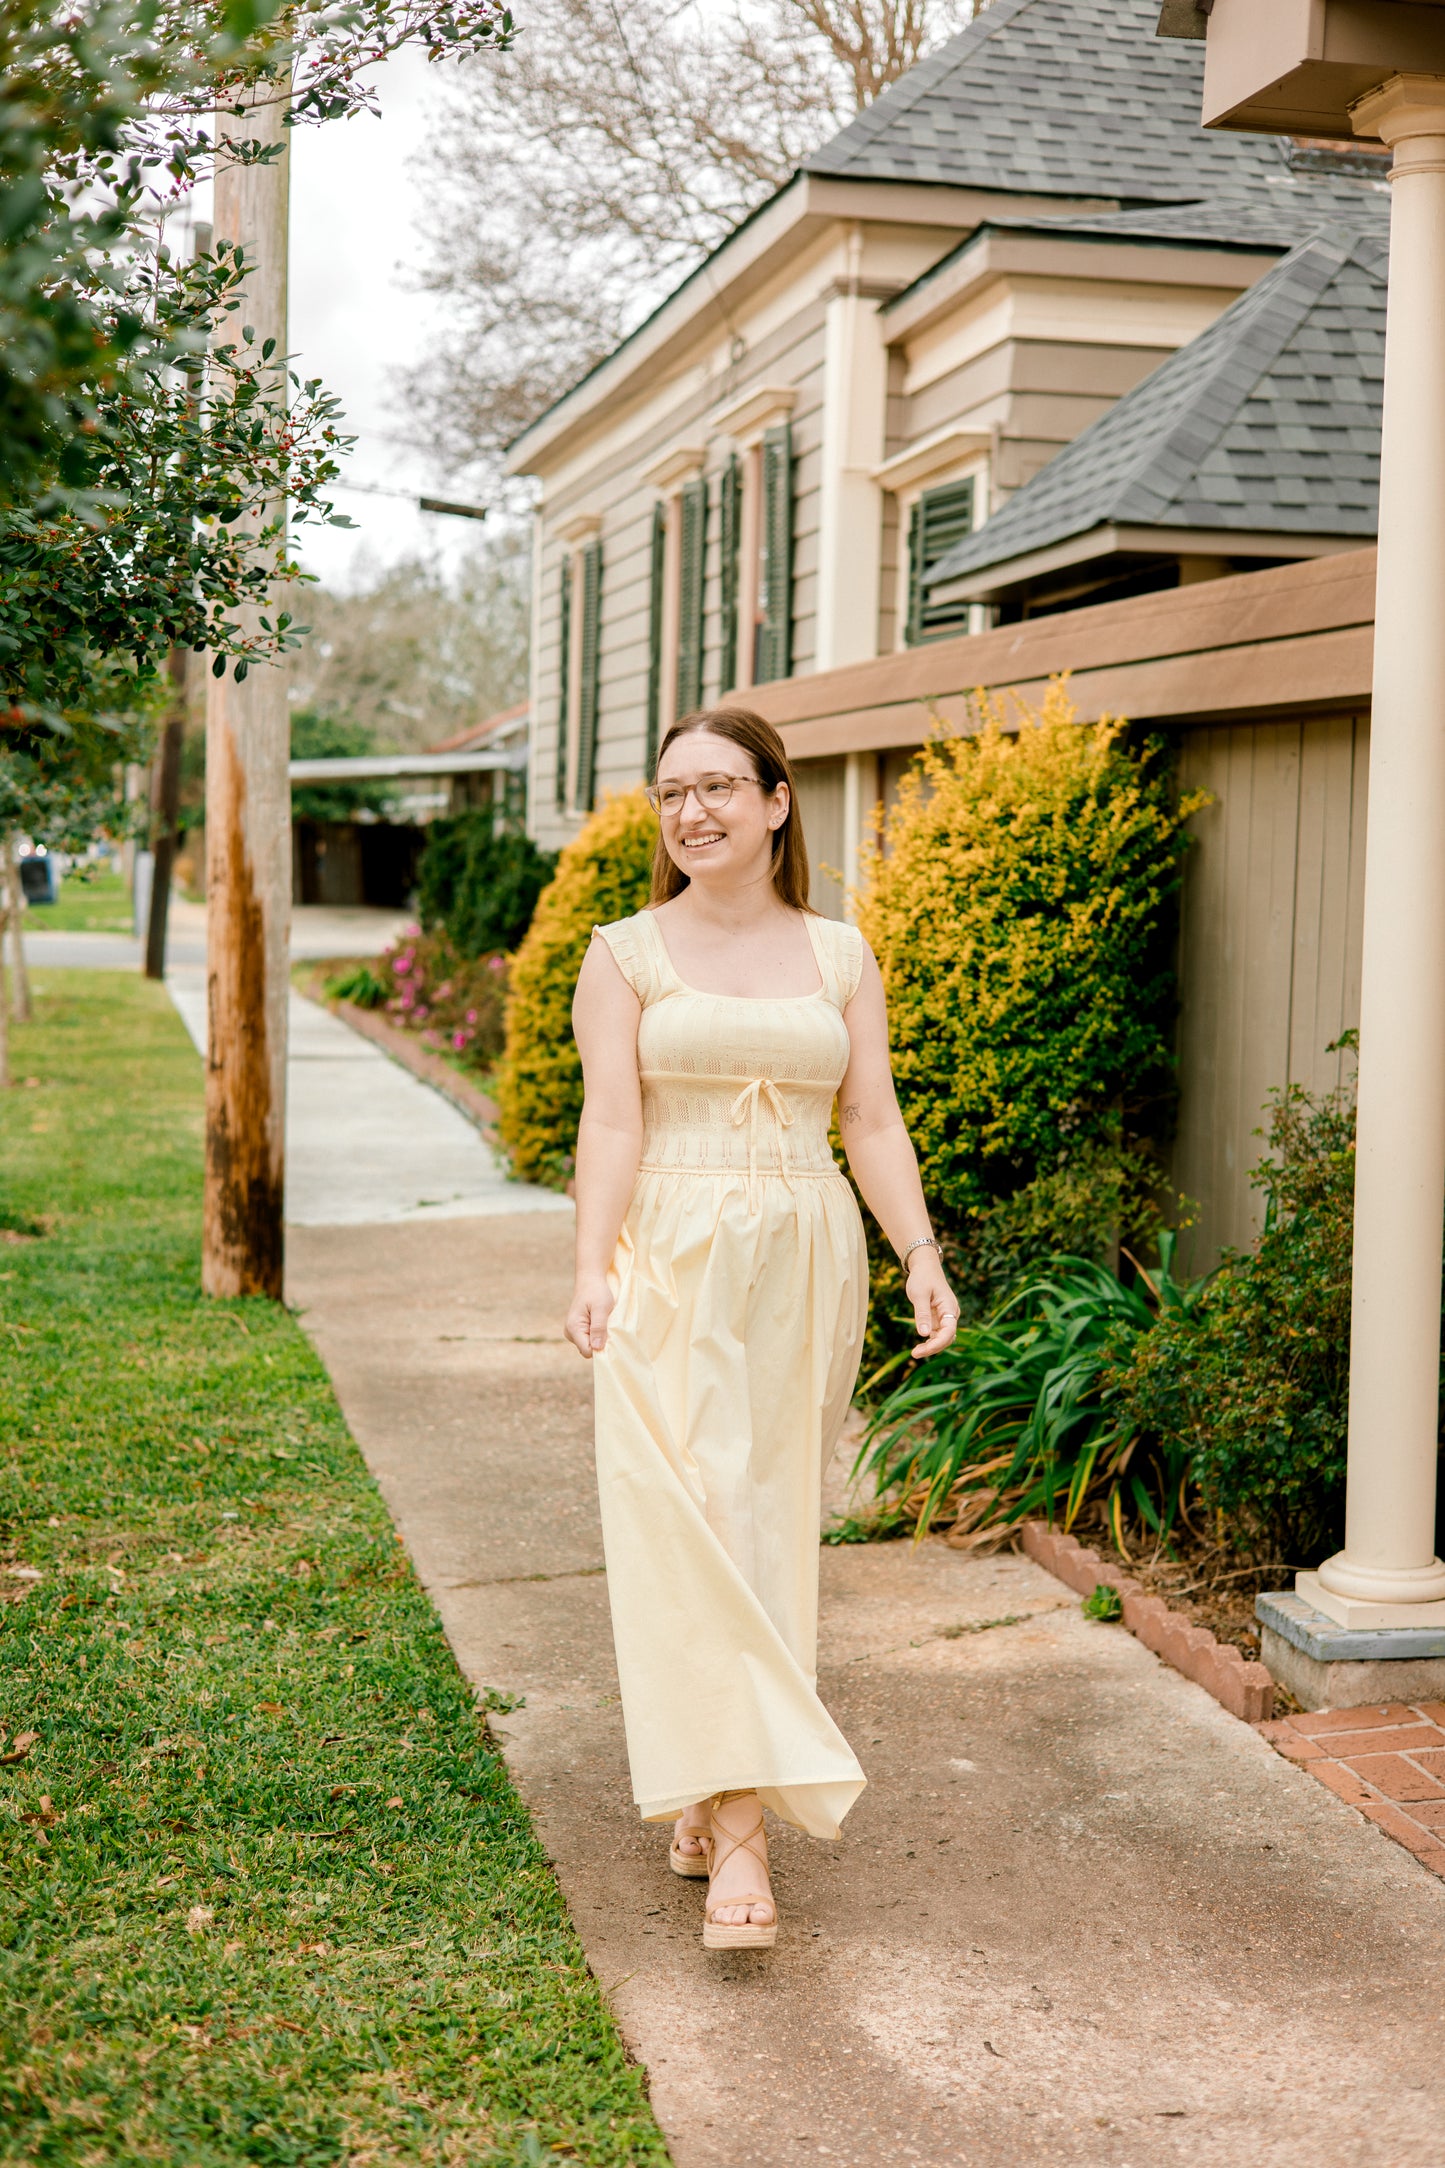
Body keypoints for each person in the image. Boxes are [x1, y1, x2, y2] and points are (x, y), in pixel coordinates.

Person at [566, 706, 957, 1951]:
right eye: (671, 792)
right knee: (692, 1514)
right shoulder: (622, 952)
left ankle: (708, 1785)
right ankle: (741, 1834)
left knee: (767, 1514)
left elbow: (873, 1118)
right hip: (668, 1253)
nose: (692, 813)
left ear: (777, 801)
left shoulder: (840, 955)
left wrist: (919, 1251)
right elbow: (612, 1126)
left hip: (803, 1249)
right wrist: (590, 1262)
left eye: (719, 787)